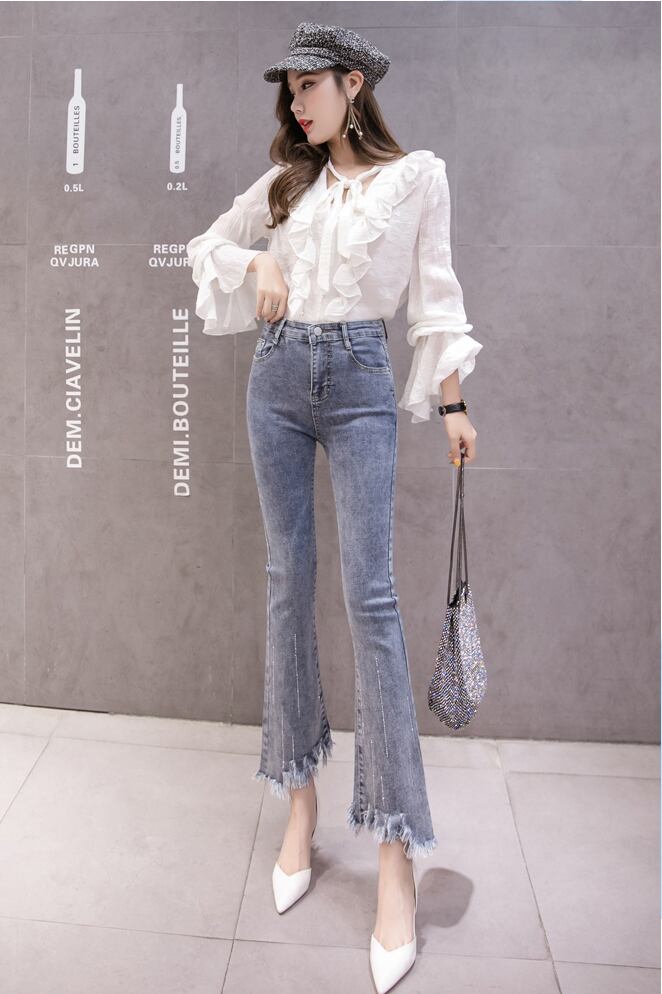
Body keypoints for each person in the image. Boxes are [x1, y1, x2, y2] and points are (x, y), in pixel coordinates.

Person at [186, 21, 483, 994]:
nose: (296, 103)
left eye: (309, 86)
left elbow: (434, 299)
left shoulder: (415, 179)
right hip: (275, 380)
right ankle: (301, 804)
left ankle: (394, 853)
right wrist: (257, 265)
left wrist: (451, 405)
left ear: (353, 84)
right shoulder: (285, 183)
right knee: (287, 584)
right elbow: (204, 246)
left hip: (358, 382)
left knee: (372, 603)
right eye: (289, 91)